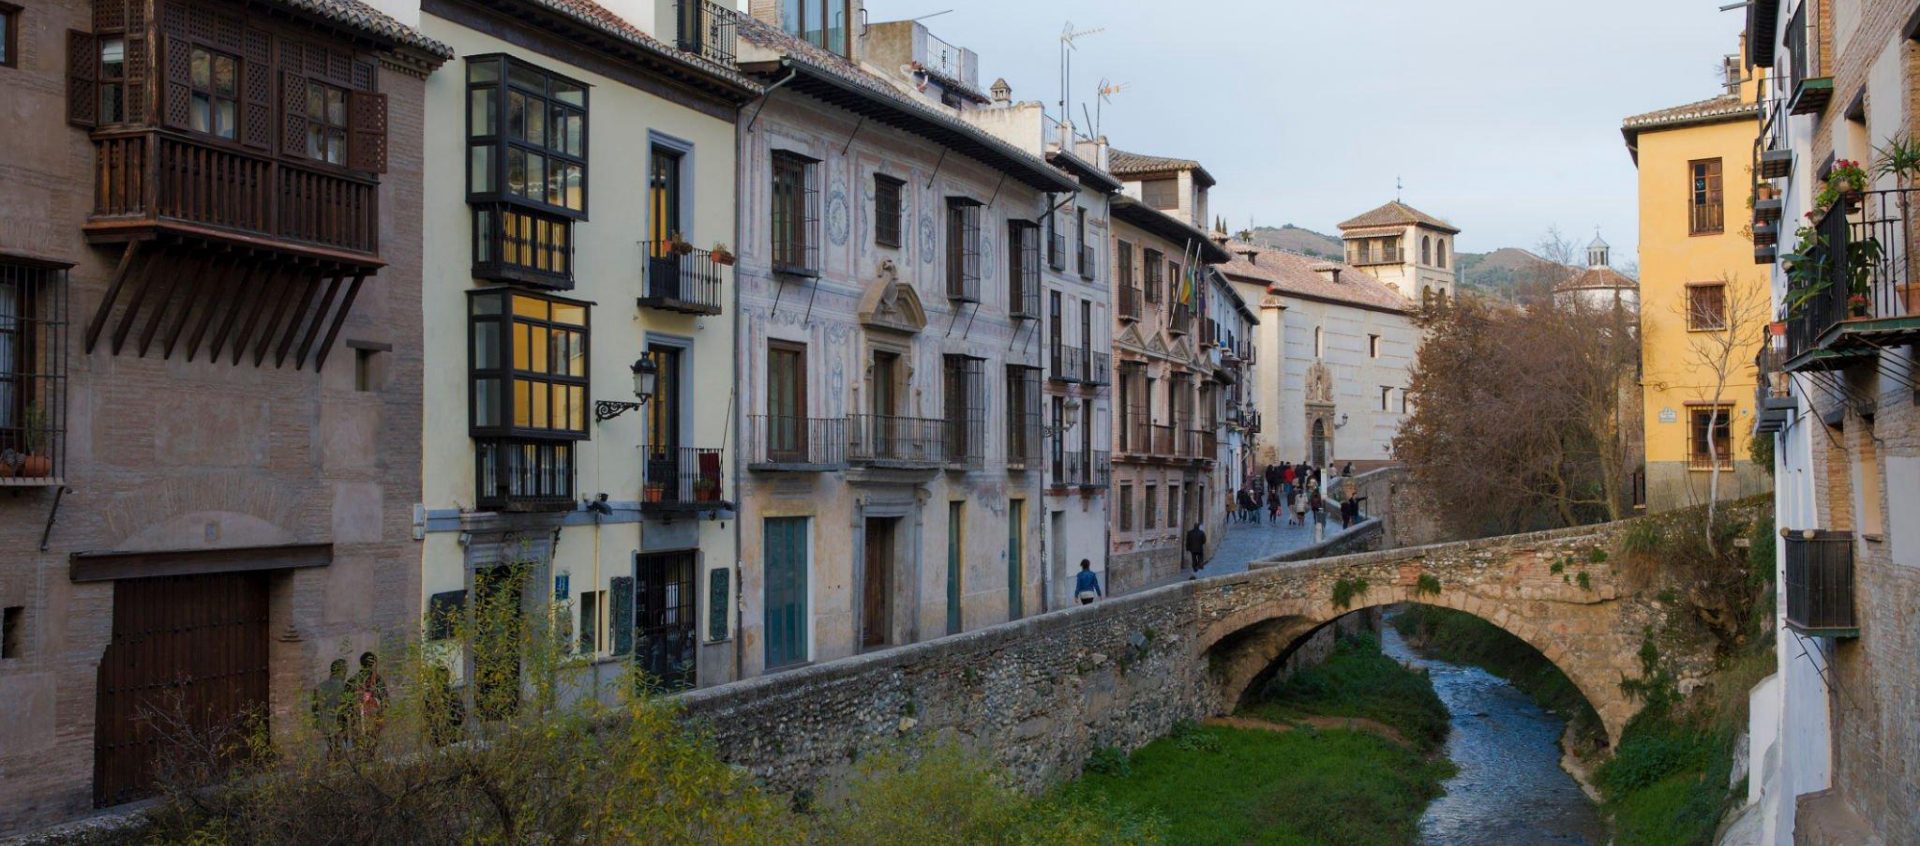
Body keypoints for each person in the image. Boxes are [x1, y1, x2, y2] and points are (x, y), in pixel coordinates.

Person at [311, 659, 351, 756]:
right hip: (339, 728)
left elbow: (314, 711)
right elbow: (348, 711)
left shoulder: (318, 687)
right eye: (345, 670)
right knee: (340, 755)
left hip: (323, 728)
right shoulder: (345, 688)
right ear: (341, 671)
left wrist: (316, 726)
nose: (345, 673)